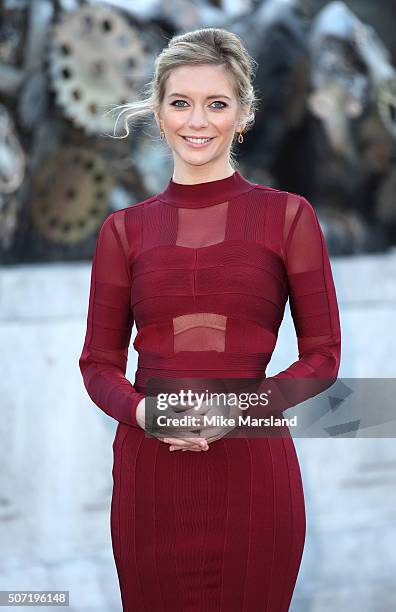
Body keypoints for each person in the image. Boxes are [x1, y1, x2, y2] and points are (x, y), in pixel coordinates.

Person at [79, 27, 341, 611]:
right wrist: (142, 411)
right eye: (181, 102)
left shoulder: (288, 219)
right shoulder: (122, 231)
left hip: (254, 476)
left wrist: (242, 408)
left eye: (216, 103)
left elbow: (323, 357)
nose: (197, 121)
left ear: (243, 115)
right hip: (151, 479)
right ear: (158, 112)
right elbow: (98, 363)